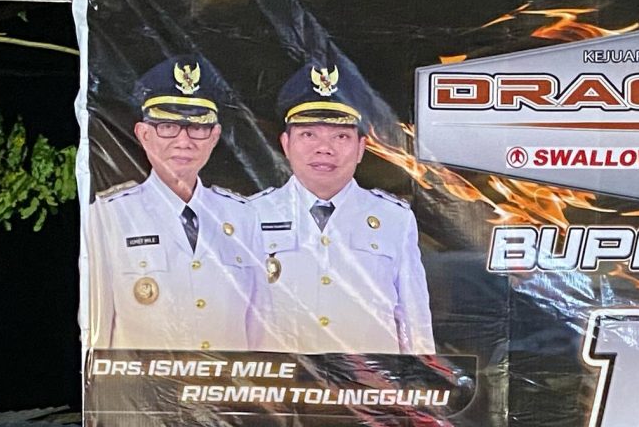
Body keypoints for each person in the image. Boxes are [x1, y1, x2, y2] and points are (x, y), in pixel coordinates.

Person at [247, 63, 437, 355]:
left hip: (370, 382)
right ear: (285, 144)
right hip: (283, 381)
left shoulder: (393, 219)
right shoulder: (250, 216)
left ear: (361, 148)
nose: (324, 148)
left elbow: (414, 321)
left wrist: (421, 378)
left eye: (341, 136)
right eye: (309, 135)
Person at [87, 54, 261, 352]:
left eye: (198, 127)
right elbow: (96, 330)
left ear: (214, 136)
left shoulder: (244, 217)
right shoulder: (110, 216)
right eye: (167, 126)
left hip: (229, 382)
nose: (184, 141)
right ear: (143, 134)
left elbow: (262, 328)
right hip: (146, 383)